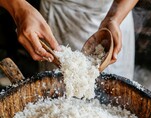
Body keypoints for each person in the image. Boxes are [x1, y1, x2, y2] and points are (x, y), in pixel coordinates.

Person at [0, 0, 138, 80]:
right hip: (59, 17)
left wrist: (114, 18)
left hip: (116, 18)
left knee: (115, 103)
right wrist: (20, 9)